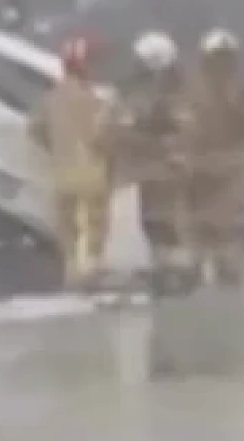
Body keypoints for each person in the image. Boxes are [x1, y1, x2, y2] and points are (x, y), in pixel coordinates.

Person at [180, 28, 244, 287]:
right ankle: (205, 268)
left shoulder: (232, 92)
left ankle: (211, 269)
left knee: (219, 228)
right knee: (210, 227)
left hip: (221, 167)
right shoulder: (225, 92)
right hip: (212, 167)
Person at [29, 35, 115, 291]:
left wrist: (55, 147)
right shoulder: (97, 100)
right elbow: (106, 136)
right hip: (93, 173)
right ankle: (90, 272)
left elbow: (34, 129)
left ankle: (72, 274)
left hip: (62, 174)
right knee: (95, 225)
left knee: (68, 228)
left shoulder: (50, 99)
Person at [115, 31, 191, 294]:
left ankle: (178, 274)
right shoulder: (146, 92)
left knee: (166, 224)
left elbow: (181, 130)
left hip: (167, 169)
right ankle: (167, 272)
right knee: (153, 223)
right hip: (152, 169)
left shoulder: (175, 97)